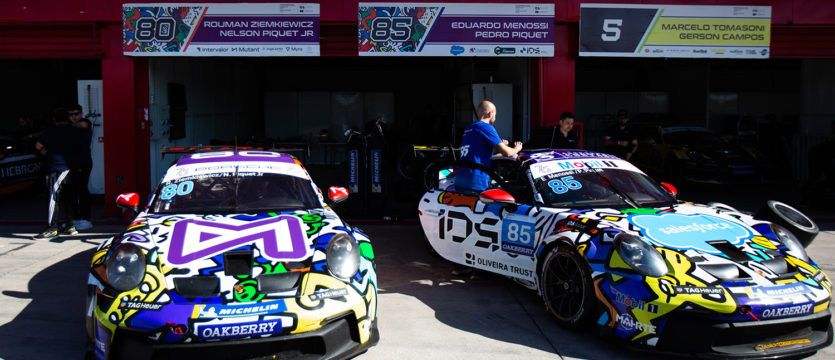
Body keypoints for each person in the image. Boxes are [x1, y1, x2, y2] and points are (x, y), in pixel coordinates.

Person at [33, 108, 82, 240]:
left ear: (54, 120)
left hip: (58, 168)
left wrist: (46, 148)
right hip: (74, 168)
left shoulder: (51, 131)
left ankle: (52, 228)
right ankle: (70, 226)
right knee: (70, 198)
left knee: (53, 197)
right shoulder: (75, 131)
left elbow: (38, 145)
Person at [455, 100, 523, 192]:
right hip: (476, 182)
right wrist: (516, 148)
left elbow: (477, 152)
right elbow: (507, 153)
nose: (495, 118)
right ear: (490, 113)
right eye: (495, 115)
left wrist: (498, 148)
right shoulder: (486, 127)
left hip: (461, 180)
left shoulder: (470, 128)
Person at [67, 105, 94, 230]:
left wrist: (64, 126)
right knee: (72, 191)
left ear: (81, 113)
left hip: (83, 162)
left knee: (82, 190)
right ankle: (75, 218)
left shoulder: (85, 123)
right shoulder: (68, 128)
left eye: (76, 113)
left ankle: (86, 218)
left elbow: (82, 125)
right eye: (71, 114)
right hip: (71, 162)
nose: (73, 117)